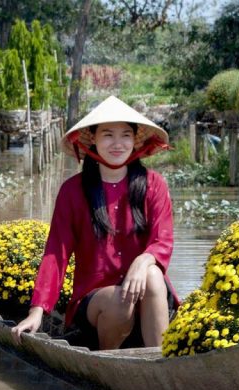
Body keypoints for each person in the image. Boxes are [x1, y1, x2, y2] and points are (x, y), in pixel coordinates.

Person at [11, 96, 178, 350]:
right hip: (97, 304)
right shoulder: (73, 191)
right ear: (93, 140)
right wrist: (37, 311)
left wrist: (142, 261)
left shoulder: (153, 185)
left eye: (125, 135)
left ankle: (160, 364)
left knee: (154, 274)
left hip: (148, 298)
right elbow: (57, 253)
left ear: (134, 141)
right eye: (108, 135)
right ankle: (107, 361)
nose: (117, 144)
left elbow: (162, 240)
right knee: (121, 302)